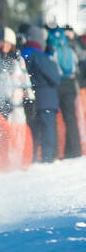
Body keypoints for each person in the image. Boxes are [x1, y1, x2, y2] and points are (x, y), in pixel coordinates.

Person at [21, 26, 61, 163]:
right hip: (47, 99)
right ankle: (46, 158)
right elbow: (55, 78)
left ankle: (31, 158)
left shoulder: (23, 54)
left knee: (33, 131)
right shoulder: (42, 57)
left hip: (31, 99)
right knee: (48, 131)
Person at [47, 26, 82, 158]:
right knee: (71, 118)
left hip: (57, 84)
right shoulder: (70, 47)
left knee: (55, 119)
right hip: (71, 84)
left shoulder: (51, 46)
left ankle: (56, 152)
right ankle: (75, 150)